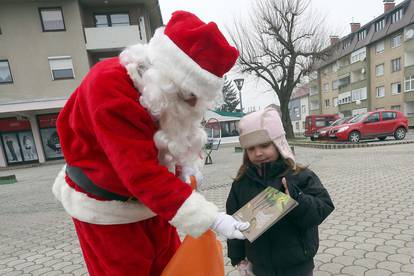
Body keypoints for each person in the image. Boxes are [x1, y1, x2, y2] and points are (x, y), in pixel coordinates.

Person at [52, 11, 249, 276]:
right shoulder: (109, 87)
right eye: (190, 94)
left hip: (154, 207)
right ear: (168, 76)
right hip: (107, 211)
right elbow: (140, 172)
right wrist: (210, 217)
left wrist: (184, 172)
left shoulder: (160, 94)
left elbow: (168, 142)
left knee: (172, 267)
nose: (193, 106)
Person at [226, 107, 334, 276]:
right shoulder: (241, 184)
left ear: (278, 143)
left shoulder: (300, 176)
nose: (258, 153)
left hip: (297, 265)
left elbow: (323, 207)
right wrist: (237, 256)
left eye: (264, 145)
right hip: (260, 266)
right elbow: (233, 223)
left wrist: (297, 199)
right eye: (251, 148)